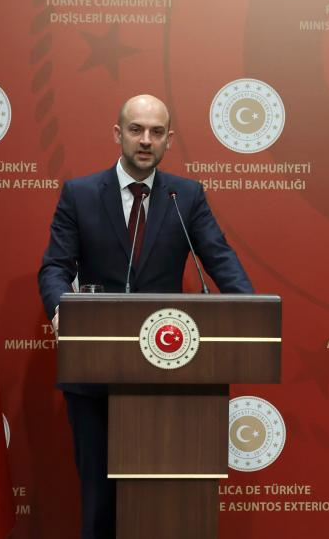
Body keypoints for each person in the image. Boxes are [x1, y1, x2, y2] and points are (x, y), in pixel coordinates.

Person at [38, 94, 253, 538]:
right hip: (95, 377)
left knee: (167, 509)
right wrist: (61, 309)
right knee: (100, 507)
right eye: (136, 129)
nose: (145, 140)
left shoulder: (184, 196)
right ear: (118, 134)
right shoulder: (80, 195)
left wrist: (249, 311)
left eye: (156, 132)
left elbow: (220, 258)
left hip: (170, 379)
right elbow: (55, 267)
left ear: (169, 140)